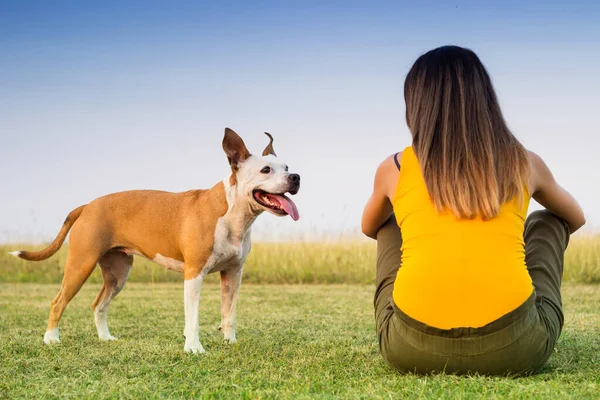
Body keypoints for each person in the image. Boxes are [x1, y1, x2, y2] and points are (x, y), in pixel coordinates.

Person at [361, 45, 585, 376]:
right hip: (517, 350)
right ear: (486, 101)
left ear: (417, 105)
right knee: (548, 219)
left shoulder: (394, 167)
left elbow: (370, 226)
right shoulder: (525, 162)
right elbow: (575, 218)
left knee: (389, 224)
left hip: (410, 350)